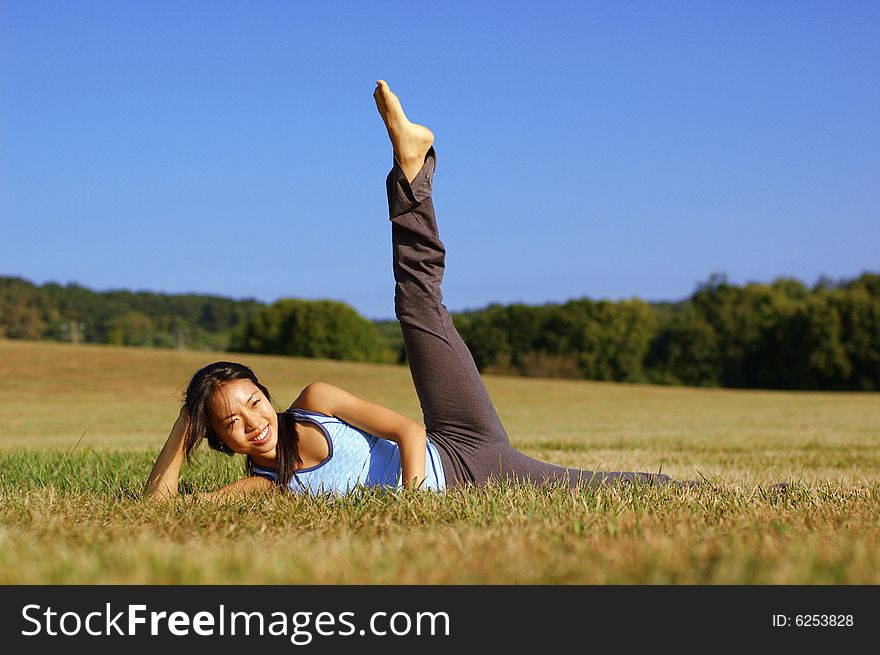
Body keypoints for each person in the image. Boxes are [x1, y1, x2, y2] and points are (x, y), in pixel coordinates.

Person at [144, 81, 673, 501]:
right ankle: (702, 492)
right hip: (487, 475)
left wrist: (415, 499)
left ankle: (411, 166)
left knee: (417, 306)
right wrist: (187, 424)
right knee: (614, 488)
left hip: (456, 440)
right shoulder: (267, 487)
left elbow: (408, 432)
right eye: (230, 423)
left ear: (267, 395)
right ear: (216, 439)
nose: (253, 423)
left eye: (253, 403)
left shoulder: (314, 402)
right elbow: (159, 507)